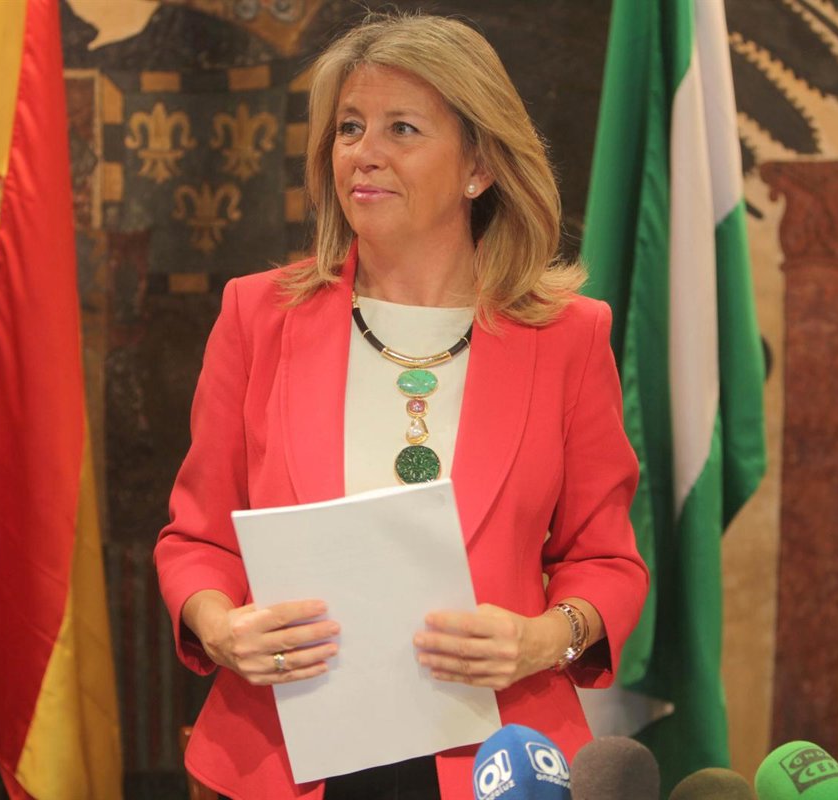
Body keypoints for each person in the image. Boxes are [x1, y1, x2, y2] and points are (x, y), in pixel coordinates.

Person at [154, 12, 649, 800]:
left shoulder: (567, 338)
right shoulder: (257, 317)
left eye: (402, 128)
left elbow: (606, 561)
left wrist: (542, 640)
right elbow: (197, 539)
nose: (364, 152)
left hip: (495, 761)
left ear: (478, 166)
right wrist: (220, 628)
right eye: (350, 127)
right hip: (286, 758)